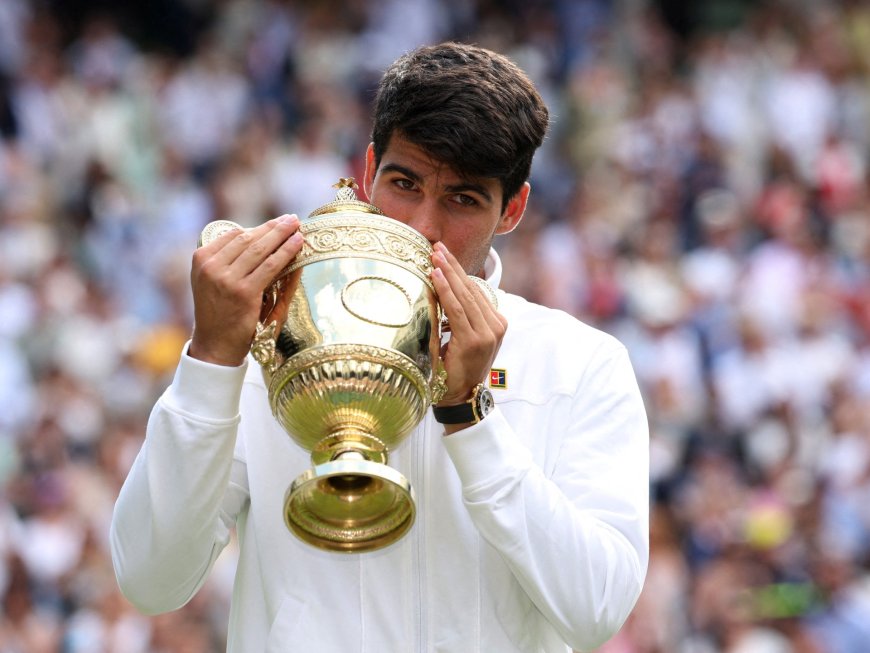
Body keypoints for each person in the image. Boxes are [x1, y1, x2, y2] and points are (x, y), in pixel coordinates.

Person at [110, 42, 649, 653]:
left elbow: (597, 610)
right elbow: (150, 580)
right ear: (367, 173)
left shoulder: (579, 364)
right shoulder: (276, 344)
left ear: (514, 209)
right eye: (404, 183)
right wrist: (211, 358)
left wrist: (469, 416)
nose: (422, 225)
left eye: (463, 199)